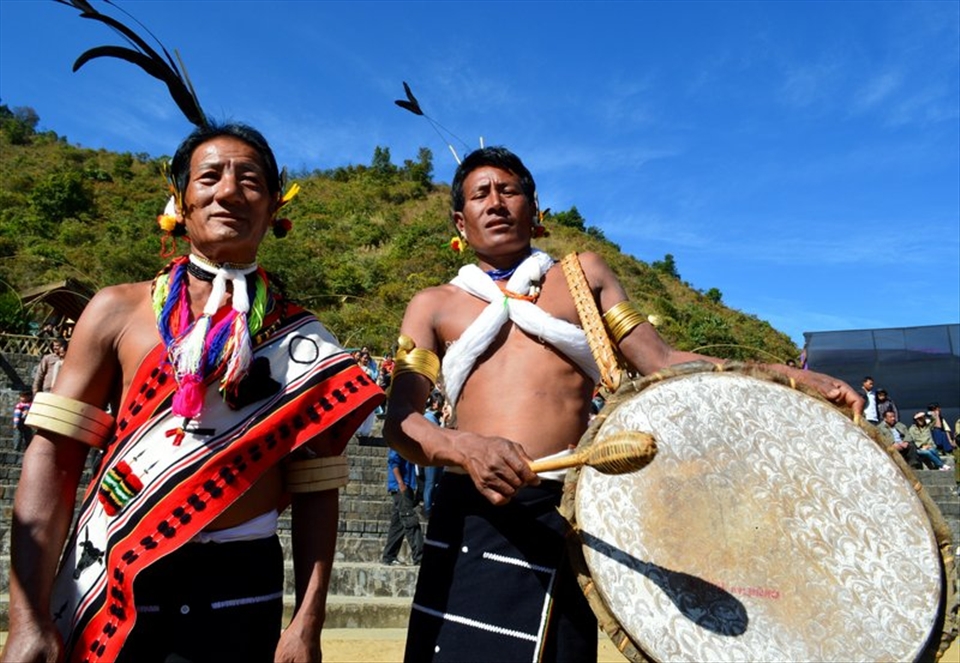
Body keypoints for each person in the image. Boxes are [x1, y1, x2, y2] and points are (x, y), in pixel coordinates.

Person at [383, 146, 863, 662]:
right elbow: (401, 422)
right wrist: (464, 448)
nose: (496, 203)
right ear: (461, 219)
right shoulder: (433, 305)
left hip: (569, 507)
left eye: (510, 190)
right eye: (481, 195)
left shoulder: (580, 278)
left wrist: (786, 377)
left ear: (535, 208)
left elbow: (660, 362)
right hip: (473, 509)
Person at [2, 123, 383, 663]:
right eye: (209, 177)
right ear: (179, 203)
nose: (228, 191)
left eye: (250, 180)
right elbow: (55, 459)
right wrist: (28, 619)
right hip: (117, 573)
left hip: (245, 588)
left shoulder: (303, 340)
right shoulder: (116, 311)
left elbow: (316, 485)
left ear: (275, 208)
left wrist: (307, 621)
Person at [381, 447, 424, 566]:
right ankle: (420, 556)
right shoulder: (398, 443)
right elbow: (393, 462)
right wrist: (401, 483)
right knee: (410, 520)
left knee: (398, 524)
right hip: (401, 487)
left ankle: (389, 556)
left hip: (406, 486)